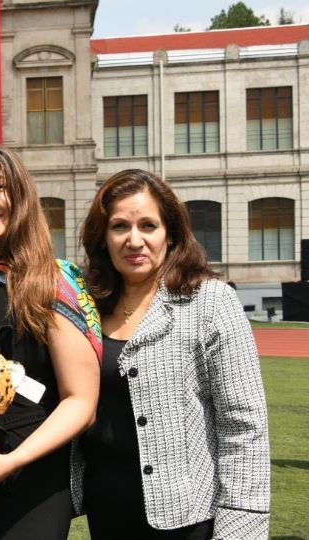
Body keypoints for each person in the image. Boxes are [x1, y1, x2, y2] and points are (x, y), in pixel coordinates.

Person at [79, 169, 270, 539]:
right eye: (120, 227)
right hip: (106, 514)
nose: (135, 240)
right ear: (102, 238)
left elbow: (244, 428)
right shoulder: (87, 308)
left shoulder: (210, 302)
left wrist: (241, 528)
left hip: (186, 520)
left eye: (148, 226)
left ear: (171, 235)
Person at [0, 142, 101, 540]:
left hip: (29, 481)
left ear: (20, 195)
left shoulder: (52, 279)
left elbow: (82, 402)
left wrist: (11, 461)